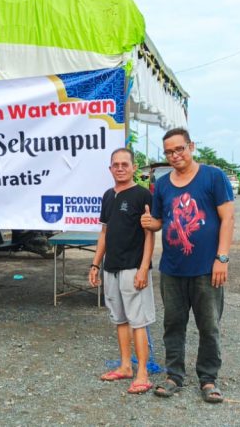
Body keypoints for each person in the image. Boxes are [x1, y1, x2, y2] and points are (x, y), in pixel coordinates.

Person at [140, 128, 235, 404]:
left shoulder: (213, 176)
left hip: (207, 268)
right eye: (169, 152)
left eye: (179, 149)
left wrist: (222, 258)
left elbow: (228, 219)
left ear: (191, 146)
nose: (175, 155)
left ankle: (208, 379)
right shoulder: (162, 185)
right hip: (172, 269)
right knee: (173, 325)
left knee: (209, 326)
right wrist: (149, 223)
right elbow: (161, 221)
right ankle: (174, 376)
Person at [88, 148, 157, 395]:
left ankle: (142, 374)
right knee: (119, 319)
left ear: (134, 168)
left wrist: (144, 268)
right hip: (112, 268)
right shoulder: (108, 196)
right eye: (115, 165)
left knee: (138, 321)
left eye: (124, 164)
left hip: (133, 268)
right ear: (110, 169)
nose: (120, 168)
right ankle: (126, 366)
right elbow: (104, 233)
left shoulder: (142, 195)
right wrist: (96, 264)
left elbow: (150, 235)